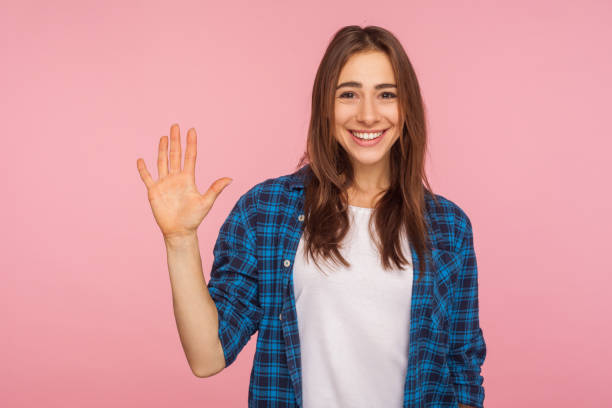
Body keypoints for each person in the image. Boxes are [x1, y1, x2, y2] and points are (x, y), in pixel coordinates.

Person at [137, 25, 486, 408]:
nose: (368, 115)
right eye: (348, 94)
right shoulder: (266, 211)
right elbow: (207, 357)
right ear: (325, 107)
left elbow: (462, 370)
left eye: (386, 95)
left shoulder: (449, 227)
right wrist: (180, 241)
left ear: (407, 109)